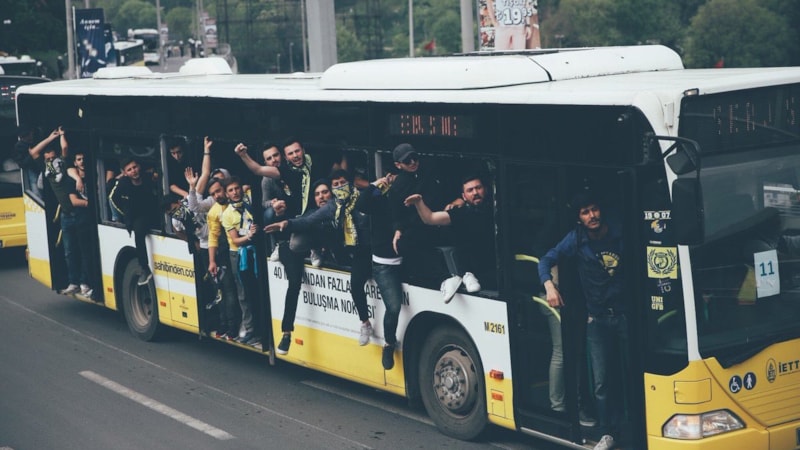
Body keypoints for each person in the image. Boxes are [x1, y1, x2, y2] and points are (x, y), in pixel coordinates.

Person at [537, 191, 626, 450]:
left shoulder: (620, 232)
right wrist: (550, 287)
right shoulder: (576, 239)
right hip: (596, 319)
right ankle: (608, 433)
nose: (592, 215)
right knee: (601, 382)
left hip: (626, 316)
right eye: (585, 212)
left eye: (594, 209)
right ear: (579, 218)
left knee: (633, 373)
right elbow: (546, 260)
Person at [266, 169, 373, 350]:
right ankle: (286, 333)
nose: (322, 197)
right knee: (294, 283)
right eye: (317, 194)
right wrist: (287, 224)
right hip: (330, 254)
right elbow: (306, 223)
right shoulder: (324, 211)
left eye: (325, 192)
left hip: (361, 253)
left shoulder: (357, 202)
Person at [403, 175, 496, 303]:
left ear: (485, 189)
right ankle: (465, 277)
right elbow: (430, 218)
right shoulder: (460, 213)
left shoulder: (496, 209)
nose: (475, 193)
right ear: (463, 196)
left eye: (478, 188)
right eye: (470, 190)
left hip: (496, 267)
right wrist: (419, 202)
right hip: (474, 268)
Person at [387, 143, 462, 292]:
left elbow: (451, 192)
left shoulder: (432, 171)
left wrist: (455, 201)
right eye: (407, 161)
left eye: (414, 158)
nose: (413, 162)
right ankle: (443, 280)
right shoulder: (398, 186)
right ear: (398, 165)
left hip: (444, 220)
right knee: (403, 244)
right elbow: (396, 214)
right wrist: (398, 230)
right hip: (420, 228)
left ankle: (467, 274)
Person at [355, 171, 404, 370]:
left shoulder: (406, 197)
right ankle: (389, 343)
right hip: (385, 264)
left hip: (409, 260)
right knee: (393, 307)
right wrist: (375, 185)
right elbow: (361, 204)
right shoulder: (378, 200)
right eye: (390, 176)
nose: (393, 180)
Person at [42, 141, 95, 298]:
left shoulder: (66, 167)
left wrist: (62, 135)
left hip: (80, 216)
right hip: (66, 216)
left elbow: (65, 150)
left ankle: (84, 283)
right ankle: (74, 283)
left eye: (54, 158)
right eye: (48, 160)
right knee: (70, 252)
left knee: (84, 251)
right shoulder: (50, 173)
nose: (52, 162)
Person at [220, 175, 262, 346]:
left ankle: (262, 329)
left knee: (258, 290)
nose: (235, 192)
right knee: (243, 293)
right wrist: (249, 235)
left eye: (237, 188)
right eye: (230, 190)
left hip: (256, 251)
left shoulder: (250, 203)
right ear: (227, 194)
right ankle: (250, 329)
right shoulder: (227, 214)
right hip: (238, 255)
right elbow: (235, 240)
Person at [109, 157, 159, 286]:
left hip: (152, 211)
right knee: (138, 232)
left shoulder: (148, 177)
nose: (134, 171)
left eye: (135, 167)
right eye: (129, 170)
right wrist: (125, 214)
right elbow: (113, 199)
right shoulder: (123, 184)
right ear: (125, 172)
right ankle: (144, 268)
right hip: (137, 216)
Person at [14, 125, 62, 197]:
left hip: (48, 165)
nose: (27, 138)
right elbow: (23, 163)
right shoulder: (20, 146)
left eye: (28, 134)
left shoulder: (39, 136)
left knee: (54, 182)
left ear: (31, 132)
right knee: (37, 192)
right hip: (35, 169)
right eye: (23, 137)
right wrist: (31, 155)